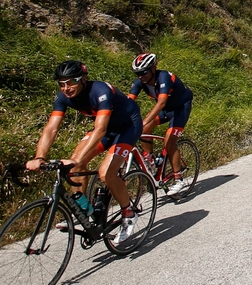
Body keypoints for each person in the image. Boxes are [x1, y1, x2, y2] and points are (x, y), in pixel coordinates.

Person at [27, 60, 143, 240]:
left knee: (106, 173)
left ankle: (129, 213)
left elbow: (100, 129)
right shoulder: (62, 97)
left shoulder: (100, 91)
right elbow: (51, 128)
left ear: (83, 79)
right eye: (62, 83)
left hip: (127, 127)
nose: (66, 88)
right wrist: (39, 157)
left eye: (71, 82)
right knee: (74, 166)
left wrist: (78, 159)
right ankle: (83, 211)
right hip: (107, 129)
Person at [129, 52, 194, 193]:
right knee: (144, 129)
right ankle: (150, 159)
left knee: (169, 142)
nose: (141, 76)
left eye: (144, 72)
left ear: (153, 68)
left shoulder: (164, 77)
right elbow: (128, 102)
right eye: (138, 73)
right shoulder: (140, 82)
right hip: (166, 109)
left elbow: (161, 103)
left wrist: (144, 120)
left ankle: (179, 179)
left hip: (180, 108)